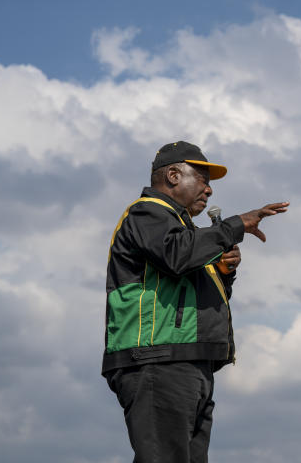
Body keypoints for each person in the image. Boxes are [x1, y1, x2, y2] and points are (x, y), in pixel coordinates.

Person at [103, 141, 288, 462]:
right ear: (173, 175)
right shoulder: (147, 212)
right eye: (203, 180)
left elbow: (195, 295)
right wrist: (233, 226)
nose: (209, 191)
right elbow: (175, 256)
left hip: (189, 363)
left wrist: (223, 271)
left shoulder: (187, 233)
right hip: (158, 361)